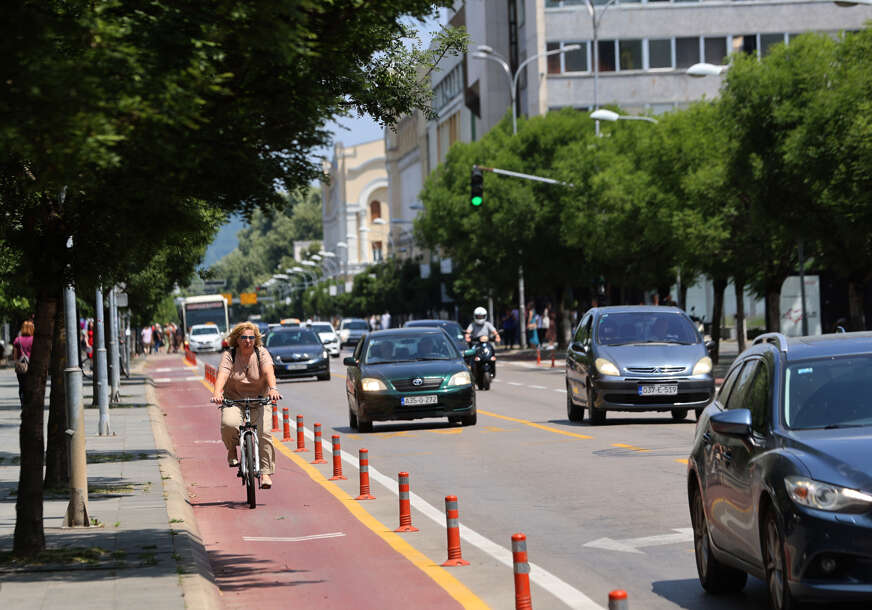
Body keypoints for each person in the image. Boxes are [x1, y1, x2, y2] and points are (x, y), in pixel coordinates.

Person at [211, 322, 281, 489]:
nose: (248, 341)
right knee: (229, 424)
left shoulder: (261, 353)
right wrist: (217, 393)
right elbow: (223, 374)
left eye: (251, 337)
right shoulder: (230, 354)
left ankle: (265, 473)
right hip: (234, 400)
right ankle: (232, 450)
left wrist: (273, 389)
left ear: (255, 339)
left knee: (264, 433)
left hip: (259, 400)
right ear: (237, 339)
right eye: (244, 337)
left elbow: (269, 371)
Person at [13, 320, 34, 403]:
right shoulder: (34, 340)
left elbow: (15, 357)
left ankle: (23, 402)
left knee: (22, 386)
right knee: (32, 386)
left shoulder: (17, 340)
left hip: (21, 368)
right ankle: (30, 402)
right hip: (32, 367)